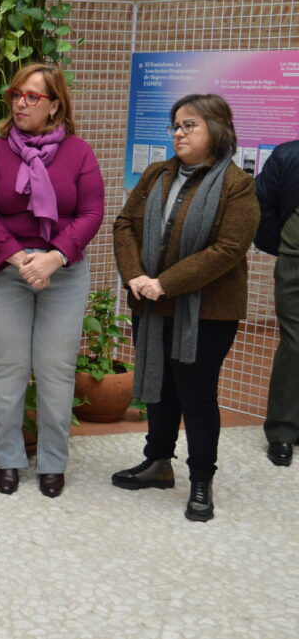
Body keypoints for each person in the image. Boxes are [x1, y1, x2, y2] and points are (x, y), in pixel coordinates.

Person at [111, 94, 258, 521]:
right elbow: (125, 224)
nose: (178, 133)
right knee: (159, 389)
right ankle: (158, 463)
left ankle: (200, 479)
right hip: (150, 304)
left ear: (217, 128)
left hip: (207, 312)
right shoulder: (157, 174)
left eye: (189, 125)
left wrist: (164, 283)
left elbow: (228, 248)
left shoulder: (237, 184)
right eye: (175, 125)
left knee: (196, 396)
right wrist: (136, 276)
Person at [0, 62, 104, 498]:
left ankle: (52, 463)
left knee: (55, 369)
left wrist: (56, 257)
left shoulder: (79, 152)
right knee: (8, 366)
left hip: (62, 272)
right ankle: (7, 459)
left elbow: (91, 212)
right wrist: (18, 256)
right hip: (6, 271)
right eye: (16, 95)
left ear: (55, 105)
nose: (20, 103)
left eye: (32, 96)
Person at [253, 140, 299, 467]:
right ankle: (283, 431)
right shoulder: (288, 155)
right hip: (295, 259)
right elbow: (262, 207)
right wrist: (284, 248)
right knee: (295, 342)